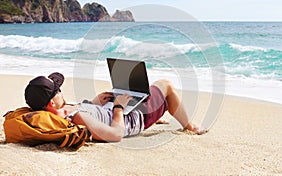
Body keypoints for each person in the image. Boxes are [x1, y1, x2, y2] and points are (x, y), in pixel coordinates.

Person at [24, 72, 208, 142]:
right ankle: (189, 126)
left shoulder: (64, 110)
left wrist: (97, 102)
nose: (61, 91)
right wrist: (119, 107)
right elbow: (115, 135)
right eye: (58, 90)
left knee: (140, 91)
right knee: (165, 85)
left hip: (114, 109)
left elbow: (93, 114)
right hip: (133, 119)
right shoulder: (78, 118)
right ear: (51, 103)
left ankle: (157, 112)